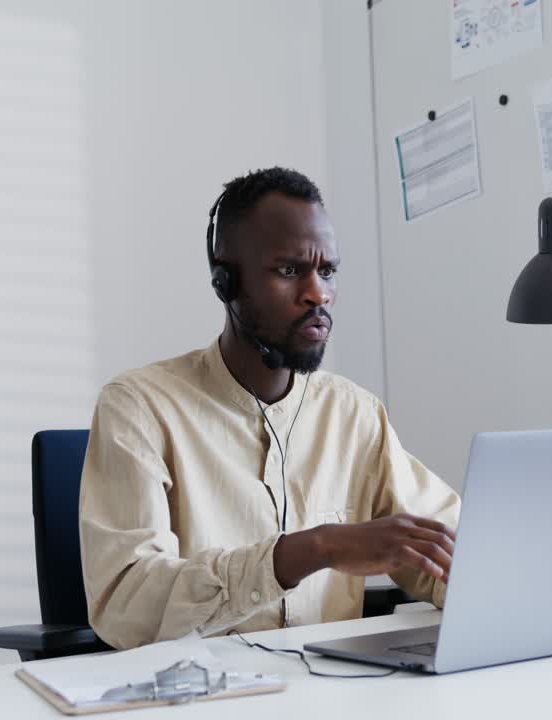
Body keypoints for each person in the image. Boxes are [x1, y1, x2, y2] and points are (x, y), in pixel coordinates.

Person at [80, 167, 460, 650]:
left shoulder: (354, 414)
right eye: (289, 270)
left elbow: (444, 549)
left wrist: (505, 582)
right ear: (226, 281)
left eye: (327, 271)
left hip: (334, 692)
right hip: (201, 697)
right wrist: (311, 549)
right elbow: (126, 606)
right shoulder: (140, 407)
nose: (317, 293)